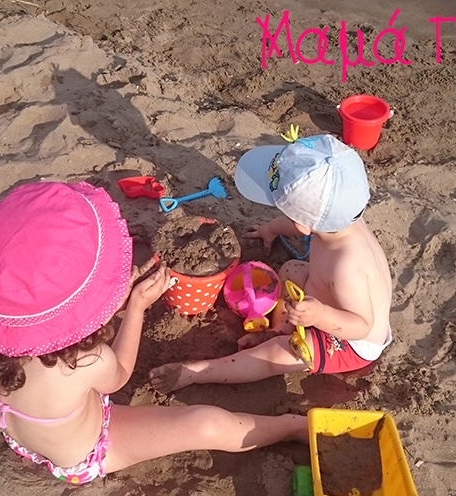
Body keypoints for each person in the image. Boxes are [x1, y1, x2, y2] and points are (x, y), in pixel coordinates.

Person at [0, 181, 307, 485]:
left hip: (25, 438)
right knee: (208, 424)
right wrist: (137, 305)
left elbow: (49, 325)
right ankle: (291, 426)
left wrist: (106, 301)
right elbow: (119, 375)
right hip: (84, 454)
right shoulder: (85, 362)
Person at [150, 134, 392, 393]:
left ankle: (197, 373)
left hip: (350, 341)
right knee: (289, 270)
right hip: (330, 297)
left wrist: (320, 315)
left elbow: (362, 325)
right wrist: (271, 229)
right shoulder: (341, 215)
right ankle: (280, 329)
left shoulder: (347, 267)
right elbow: (302, 225)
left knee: (278, 353)